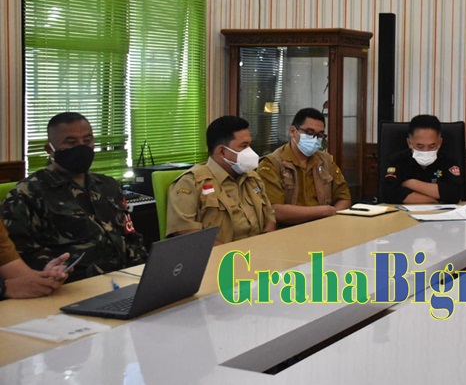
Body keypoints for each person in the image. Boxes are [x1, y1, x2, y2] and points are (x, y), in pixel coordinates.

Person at [1, 112, 147, 282]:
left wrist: (143, 270)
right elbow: (19, 255)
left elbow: (129, 235)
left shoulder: (109, 185)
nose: (81, 147)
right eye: (71, 143)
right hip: (71, 285)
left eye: (87, 140)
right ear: (50, 149)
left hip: (126, 279)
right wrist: (55, 271)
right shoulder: (27, 194)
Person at [167, 116, 276, 243]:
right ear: (222, 151)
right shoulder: (191, 182)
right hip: (221, 253)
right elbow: (186, 231)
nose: (250, 151)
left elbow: (270, 217)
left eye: (250, 145)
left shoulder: (252, 178)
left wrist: (265, 243)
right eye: (244, 146)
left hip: (259, 250)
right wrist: (230, 252)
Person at [258, 108, 351, 225]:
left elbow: (344, 197)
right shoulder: (272, 164)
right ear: (293, 131)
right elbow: (274, 210)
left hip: (324, 226)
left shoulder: (326, 161)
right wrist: (324, 212)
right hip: (288, 230)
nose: (315, 139)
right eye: (310, 133)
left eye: (320, 135)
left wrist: (333, 215)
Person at [381, 114, 464, 204]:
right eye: (420, 146)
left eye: (432, 146)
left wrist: (411, 183)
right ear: (409, 143)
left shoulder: (448, 160)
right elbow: (389, 194)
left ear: (440, 142)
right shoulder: (396, 160)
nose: (426, 151)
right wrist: (437, 199)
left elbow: (455, 194)